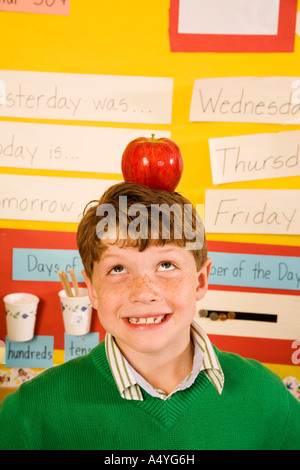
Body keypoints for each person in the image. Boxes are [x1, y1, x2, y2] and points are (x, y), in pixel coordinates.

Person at [0, 181, 299, 450]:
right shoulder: (29, 414)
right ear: (92, 291)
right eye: (117, 269)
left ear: (200, 281)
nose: (144, 292)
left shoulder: (266, 397)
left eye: (166, 265)